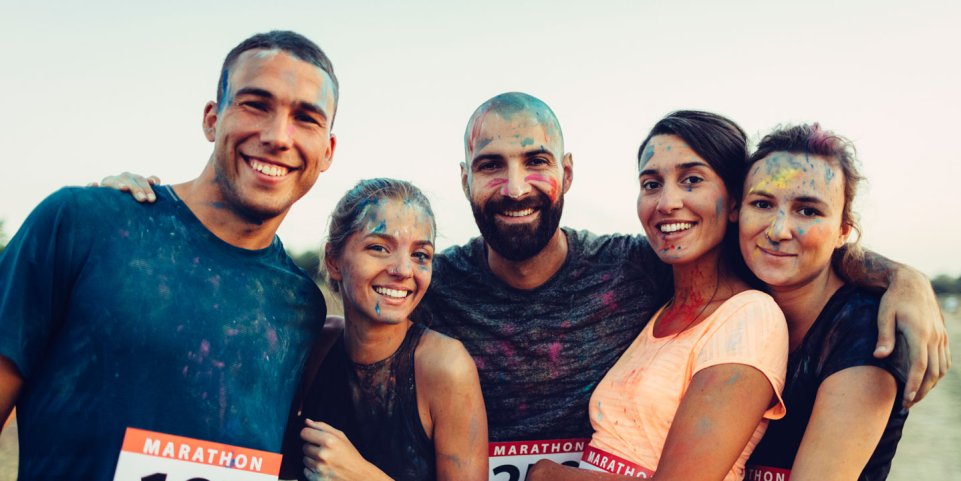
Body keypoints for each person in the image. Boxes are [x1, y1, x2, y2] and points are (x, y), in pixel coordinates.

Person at [95, 93, 947, 480]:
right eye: (490, 165)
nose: (514, 184)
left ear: (566, 171)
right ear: (463, 176)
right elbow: (340, 307)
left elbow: (778, 246)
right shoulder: (433, 274)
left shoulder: (634, 263)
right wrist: (165, 211)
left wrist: (896, 274)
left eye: (535, 161)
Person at [0, 30, 338, 480]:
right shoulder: (81, 223)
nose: (278, 136)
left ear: (328, 151)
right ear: (212, 119)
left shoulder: (301, 304)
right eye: (256, 104)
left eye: (306, 118)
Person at [528, 111, 788, 481]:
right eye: (651, 184)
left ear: (734, 202)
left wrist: (550, 476)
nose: (667, 202)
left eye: (692, 180)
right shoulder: (658, 307)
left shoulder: (750, 318)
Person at [280, 178, 487, 481]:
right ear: (333, 260)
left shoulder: (445, 367)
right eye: (379, 248)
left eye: (420, 255)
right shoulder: (316, 346)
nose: (403, 270)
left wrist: (362, 476)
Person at [742, 125, 912, 481]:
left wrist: (910, 281)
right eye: (762, 204)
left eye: (808, 211)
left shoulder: (867, 332)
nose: (778, 230)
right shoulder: (731, 298)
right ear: (736, 212)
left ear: (844, 232)